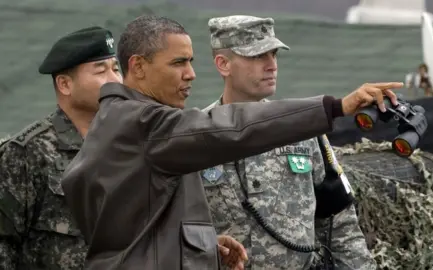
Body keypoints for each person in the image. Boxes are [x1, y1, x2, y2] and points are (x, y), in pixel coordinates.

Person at [59, 15, 403, 270]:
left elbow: (137, 226)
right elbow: (230, 128)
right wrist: (336, 107)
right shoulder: (144, 123)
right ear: (138, 67)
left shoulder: (119, 121)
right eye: (178, 63)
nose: (190, 74)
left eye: (191, 62)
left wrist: (199, 248)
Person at [201, 15, 376, 270]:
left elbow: (339, 222)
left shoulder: (302, 130)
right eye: (258, 56)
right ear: (223, 64)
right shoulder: (198, 136)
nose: (272, 65)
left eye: (274, 55)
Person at [0, 26, 122, 270]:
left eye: (116, 69)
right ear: (65, 85)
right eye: (101, 71)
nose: (115, 80)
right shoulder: (26, 152)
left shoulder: (126, 146)